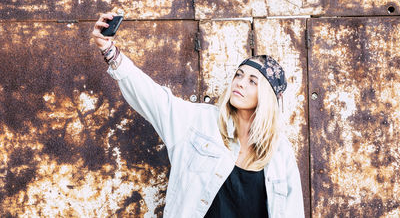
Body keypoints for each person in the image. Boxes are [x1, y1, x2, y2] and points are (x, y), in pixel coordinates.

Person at [92, 13, 305, 218]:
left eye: (252, 81)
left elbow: (292, 211)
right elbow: (153, 98)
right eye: (239, 75)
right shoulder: (199, 122)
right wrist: (110, 52)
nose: (240, 82)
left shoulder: (280, 152)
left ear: (267, 96)